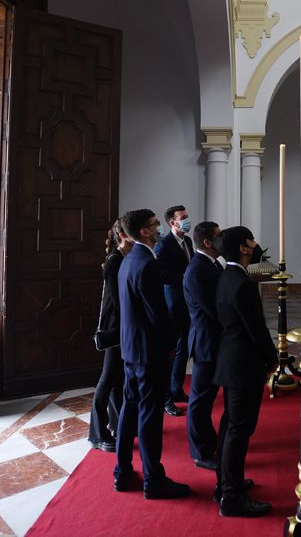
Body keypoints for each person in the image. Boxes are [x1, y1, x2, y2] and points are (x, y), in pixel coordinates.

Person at [114, 209, 190, 499]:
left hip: (131, 348)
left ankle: (122, 473)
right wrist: (171, 342)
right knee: (149, 416)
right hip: (149, 352)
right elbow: (157, 313)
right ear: (144, 232)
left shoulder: (128, 260)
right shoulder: (146, 263)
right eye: (155, 224)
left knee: (129, 410)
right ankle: (153, 480)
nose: (159, 227)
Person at [213, 226, 278, 518]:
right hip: (243, 363)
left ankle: (227, 483)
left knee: (231, 426)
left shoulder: (228, 276)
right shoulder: (241, 282)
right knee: (239, 430)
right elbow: (257, 329)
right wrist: (273, 358)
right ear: (243, 247)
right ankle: (232, 497)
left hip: (231, 359)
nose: (255, 244)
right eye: (251, 240)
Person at [182, 221, 223, 470]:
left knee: (207, 398)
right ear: (207, 242)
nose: (221, 240)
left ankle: (208, 442)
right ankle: (200, 451)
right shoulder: (198, 270)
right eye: (218, 237)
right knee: (200, 400)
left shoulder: (209, 264)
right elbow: (211, 308)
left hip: (212, 340)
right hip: (206, 341)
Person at [88, 221, 132, 452]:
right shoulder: (115, 260)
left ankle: (117, 423)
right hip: (115, 327)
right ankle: (97, 433)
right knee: (107, 380)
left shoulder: (123, 257)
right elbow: (117, 300)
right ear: (124, 235)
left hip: (122, 326)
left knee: (118, 380)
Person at [154, 204, 193, 417]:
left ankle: (176, 389)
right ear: (172, 222)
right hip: (173, 304)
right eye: (183, 217)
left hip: (187, 302)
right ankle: (166, 399)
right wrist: (186, 278)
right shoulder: (163, 244)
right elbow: (163, 276)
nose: (187, 219)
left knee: (184, 349)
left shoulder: (187, 240)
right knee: (173, 351)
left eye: (187, 216)